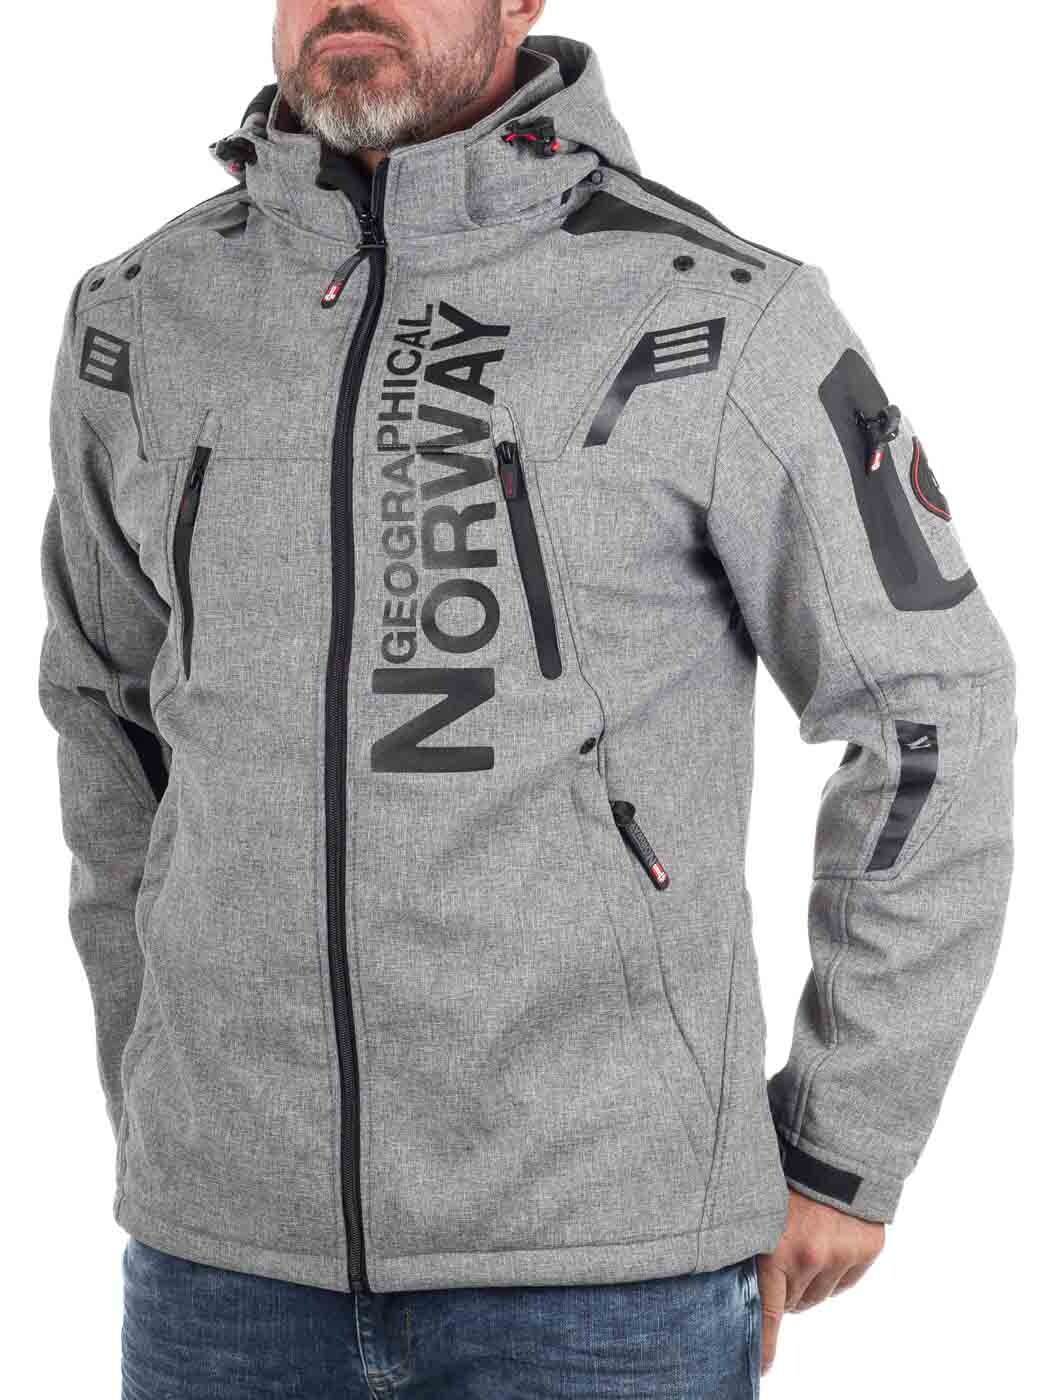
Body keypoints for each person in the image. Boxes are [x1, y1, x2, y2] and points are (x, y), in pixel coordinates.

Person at [37, 2, 1016, 1396]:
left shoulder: (710, 310)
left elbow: (931, 709)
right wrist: (166, 1102)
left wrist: (845, 1142)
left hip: (602, 1282)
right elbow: (109, 713)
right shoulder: (141, 316)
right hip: (223, 1275)